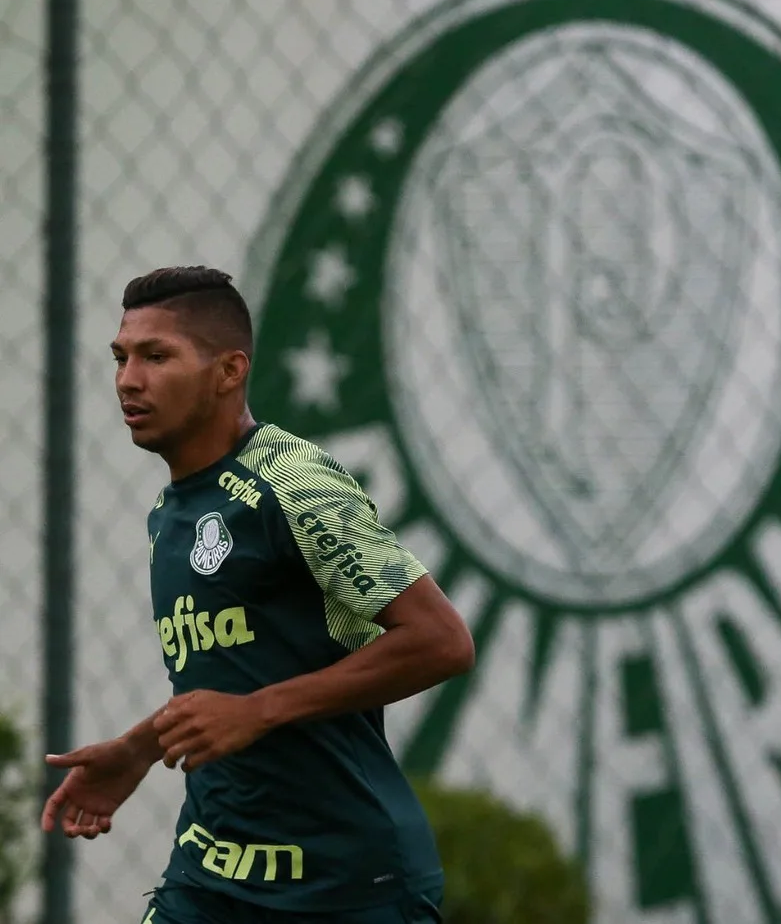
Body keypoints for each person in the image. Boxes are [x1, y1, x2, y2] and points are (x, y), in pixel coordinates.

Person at [41, 266, 475, 924]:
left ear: (229, 370)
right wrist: (137, 749)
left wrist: (260, 710)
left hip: (346, 882)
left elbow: (441, 640)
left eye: (157, 356)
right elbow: (233, 674)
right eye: (121, 357)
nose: (129, 379)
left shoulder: (295, 483)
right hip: (211, 871)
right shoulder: (170, 512)